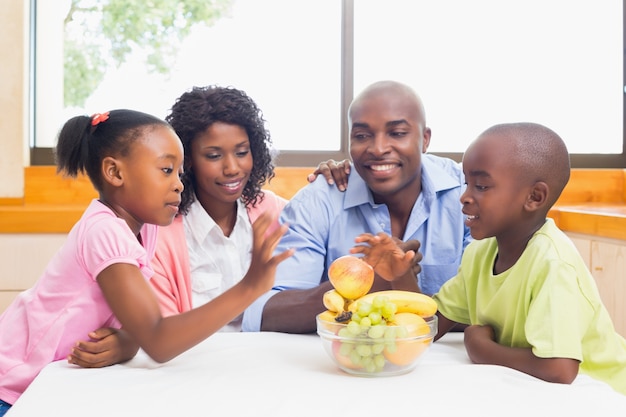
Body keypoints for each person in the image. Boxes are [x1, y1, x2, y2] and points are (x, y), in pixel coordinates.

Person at [0, 109, 294, 414]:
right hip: (13, 390)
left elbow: (141, 324)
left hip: (56, 387)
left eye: (179, 173)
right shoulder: (104, 231)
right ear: (115, 173)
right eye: (166, 170)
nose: (179, 184)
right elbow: (158, 341)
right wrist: (250, 287)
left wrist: (129, 341)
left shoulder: (146, 227)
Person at [67, 86, 353, 368]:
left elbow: (322, 270)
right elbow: (158, 333)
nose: (232, 168)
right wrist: (131, 341)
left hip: (273, 362)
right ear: (186, 161)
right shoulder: (159, 233)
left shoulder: (276, 212)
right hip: (192, 369)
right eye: (214, 156)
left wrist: (335, 183)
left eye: (242, 152)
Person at [242, 80, 472, 334]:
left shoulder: (466, 193)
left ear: (425, 139)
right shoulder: (318, 202)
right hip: (341, 365)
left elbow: (497, 305)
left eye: (397, 133)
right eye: (362, 136)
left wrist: (400, 283)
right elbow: (264, 313)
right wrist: (363, 283)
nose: (378, 149)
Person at [432, 122, 626, 396]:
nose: (464, 197)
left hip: (604, 392)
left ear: (534, 197)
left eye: (482, 186)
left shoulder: (552, 264)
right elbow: (436, 320)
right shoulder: (479, 253)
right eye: (466, 183)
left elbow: (559, 370)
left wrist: (482, 350)